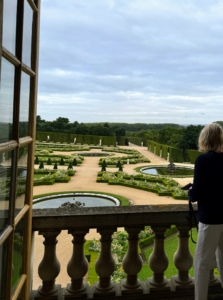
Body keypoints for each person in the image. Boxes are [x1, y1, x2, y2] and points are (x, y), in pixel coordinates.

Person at [188, 123, 223, 300]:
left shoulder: (203, 160)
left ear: (205, 139)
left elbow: (196, 194)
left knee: (202, 264)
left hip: (210, 219)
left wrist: (189, 192)